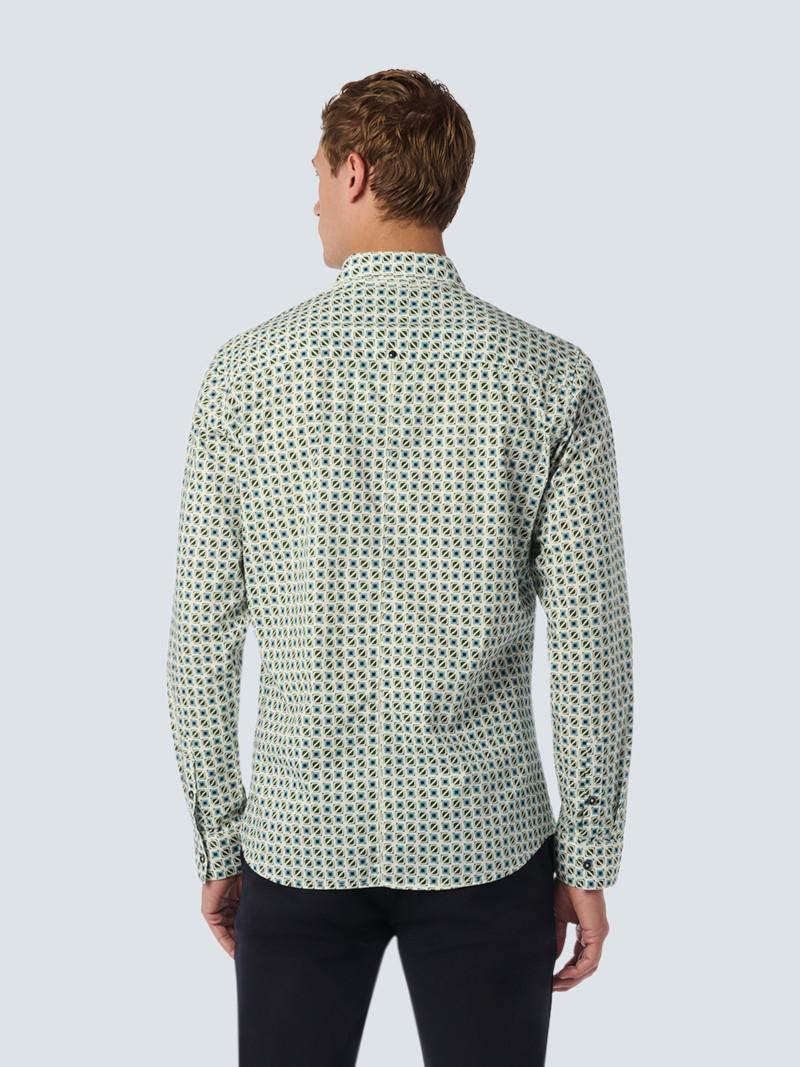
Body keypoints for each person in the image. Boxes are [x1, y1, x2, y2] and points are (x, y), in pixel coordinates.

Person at [166, 67, 634, 1067]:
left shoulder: (245, 374)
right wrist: (588, 856)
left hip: (296, 836)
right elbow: (592, 645)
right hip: (486, 840)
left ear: (356, 171)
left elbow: (201, 636)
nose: (311, 199)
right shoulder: (551, 377)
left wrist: (219, 839)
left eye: (315, 172)